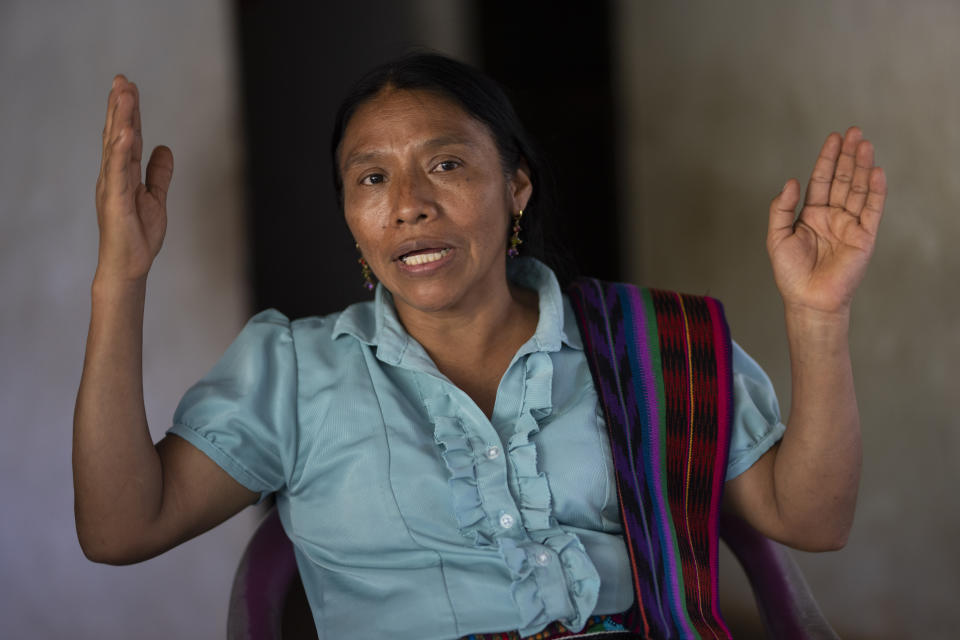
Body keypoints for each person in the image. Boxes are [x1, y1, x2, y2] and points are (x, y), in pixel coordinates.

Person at [74, 53, 886, 639]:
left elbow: (810, 519)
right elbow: (120, 529)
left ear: (516, 186)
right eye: (371, 179)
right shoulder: (292, 370)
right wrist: (120, 277)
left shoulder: (648, 345)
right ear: (351, 216)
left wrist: (818, 319)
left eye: (448, 164)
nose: (409, 205)